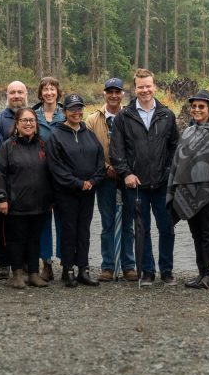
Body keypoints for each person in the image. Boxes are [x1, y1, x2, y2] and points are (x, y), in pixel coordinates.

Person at [110, 68, 180, 286]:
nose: (145, 90)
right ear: (135, 88)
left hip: (162, 184)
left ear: (154, 86)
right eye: (140, 87)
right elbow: (116, 150)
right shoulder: (124, 116)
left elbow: (174, 147)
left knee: (167, 227)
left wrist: (169, 172)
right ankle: (147, 272)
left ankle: (167, 271)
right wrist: (126, 173)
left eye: (148, 86)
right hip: (136, 184)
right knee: (142, 230)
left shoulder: (167, 114)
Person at [166, 90, 209, 289]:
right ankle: (201, 272)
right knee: (195, 234)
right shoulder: (187, 131)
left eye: (201, 106)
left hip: (208, 193)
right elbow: (180, 162)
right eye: (194, 106)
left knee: (207, 233)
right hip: (188, 193)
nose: (196, 109)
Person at [0, 108, 54, 289]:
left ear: (36, 123)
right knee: (16, 240)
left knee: (34, 239)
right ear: (16, 124)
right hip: (15, 204)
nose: (28, 123)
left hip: (39, 204)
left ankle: (33, 273)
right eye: (24, 120)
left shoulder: (43, 145)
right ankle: (17, 274)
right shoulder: (8, 146)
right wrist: (2, 198)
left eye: (32, 120)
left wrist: (51, 199)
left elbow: (51, 173)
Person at [47, 94, 105, 287]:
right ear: (64, 112)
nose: (77, 112)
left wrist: (93, 181)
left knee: (84, 231)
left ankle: (83, 269)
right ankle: (68, 270)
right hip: (67, 193)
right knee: (69, 231)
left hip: (88, 192)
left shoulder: (88, 133)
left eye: (79, 108)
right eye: (72, 109)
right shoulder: (57, 135)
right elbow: (56, 166)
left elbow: (99, 160)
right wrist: (77, 183)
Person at [86, 78, 135, 281]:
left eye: (117, 91)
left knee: (128, 224)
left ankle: (129, 265)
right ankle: (107, 266)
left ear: (123, 94)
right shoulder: (92, 120)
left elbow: (135, 147)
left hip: (127, 177)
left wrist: (123, 170)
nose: (114, 95)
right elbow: (89, 150)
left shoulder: (131, 117)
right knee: (107, 223)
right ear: (104, 93)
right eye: (110, 92)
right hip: (104, 177)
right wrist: (106, 168)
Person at [0, 80, 30, 280]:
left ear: (26, 94)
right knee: (3, 225)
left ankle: (23, 262)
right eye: (12, 92)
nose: (16, 96)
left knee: (25, 224)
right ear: (7, 95)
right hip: (6, 180)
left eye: (19, 92)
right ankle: (4, 262)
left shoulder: (32, 117)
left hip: (28, 183)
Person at [34, 76, 65, 281]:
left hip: (63, 176)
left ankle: (66, 261)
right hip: (39, 176)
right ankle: (46, 263)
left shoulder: (66, 114)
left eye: (52, 89)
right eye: (45, 89)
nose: (49, 93)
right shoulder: (32, 115)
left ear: (58, 92)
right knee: (43, 221)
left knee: (64, 221)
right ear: (40, 93)